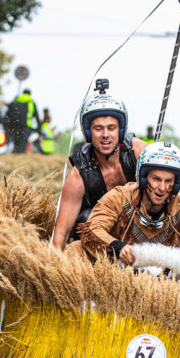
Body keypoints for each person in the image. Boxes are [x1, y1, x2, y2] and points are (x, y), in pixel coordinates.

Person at [73, 141, 180, 285]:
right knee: (75, 250)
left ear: (176, 184)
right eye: (156, 179)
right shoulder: (119, 197)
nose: (162, 187)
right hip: (115, 276)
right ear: (143, 178)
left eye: (168, 181)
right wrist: (118, 248)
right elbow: (92, 228)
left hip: (166, 284)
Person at [51, 91, 148, 250]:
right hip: (98, 236)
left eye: (111, 128)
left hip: (138, 228)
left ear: (120, 130)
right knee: (86, 218)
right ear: (88, 132)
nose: (105, 135)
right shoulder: (79, 175)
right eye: (98, 128)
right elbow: (62, 232)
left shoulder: (139, 153)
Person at [6, 88, 38, 154]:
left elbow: (9, 111)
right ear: (30, 94)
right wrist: (38, 129)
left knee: (16, 140)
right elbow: (36, 116)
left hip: (15, 124)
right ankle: (20, 154)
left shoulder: (17, 100)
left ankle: (15, 153)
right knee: (22, 142)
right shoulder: (31, 102)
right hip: (26, 125)